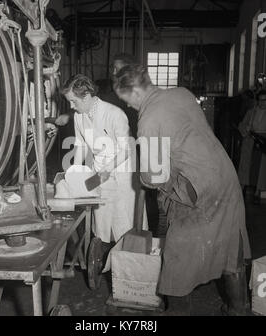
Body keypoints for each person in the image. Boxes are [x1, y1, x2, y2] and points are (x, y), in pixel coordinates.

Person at [113, 64, 251, 316]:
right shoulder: (182, 93)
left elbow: (153, 177)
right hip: (225, 176)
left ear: (133, 92)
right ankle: (238, 309)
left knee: (177, 262)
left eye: (127, 101)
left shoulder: (149, 118)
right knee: (230, 249)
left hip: (198, 191)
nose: (130, 107)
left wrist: (143, 175)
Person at [58, 74, 147, 252]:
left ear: (87, 96)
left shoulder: (114, 114)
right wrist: (75, 171)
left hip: (122, 172)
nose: (71, 106)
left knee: (125, 222)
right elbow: (81, 144)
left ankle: (126, 260)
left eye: (74, 101)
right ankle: (104, 254)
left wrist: (106, 170)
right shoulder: (79, 115)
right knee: (103, 224)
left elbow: (126, 149)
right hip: (100, 171)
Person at [238, 90, 266, 204]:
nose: (262, 103)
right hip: (250, 141)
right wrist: (246, 131)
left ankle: (258, 191)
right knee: (246, 166)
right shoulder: (251, 112)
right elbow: (242, 125)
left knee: (261, 168)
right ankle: (243, 188)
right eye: (260, 100)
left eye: (265, 100)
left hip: (264, 143)